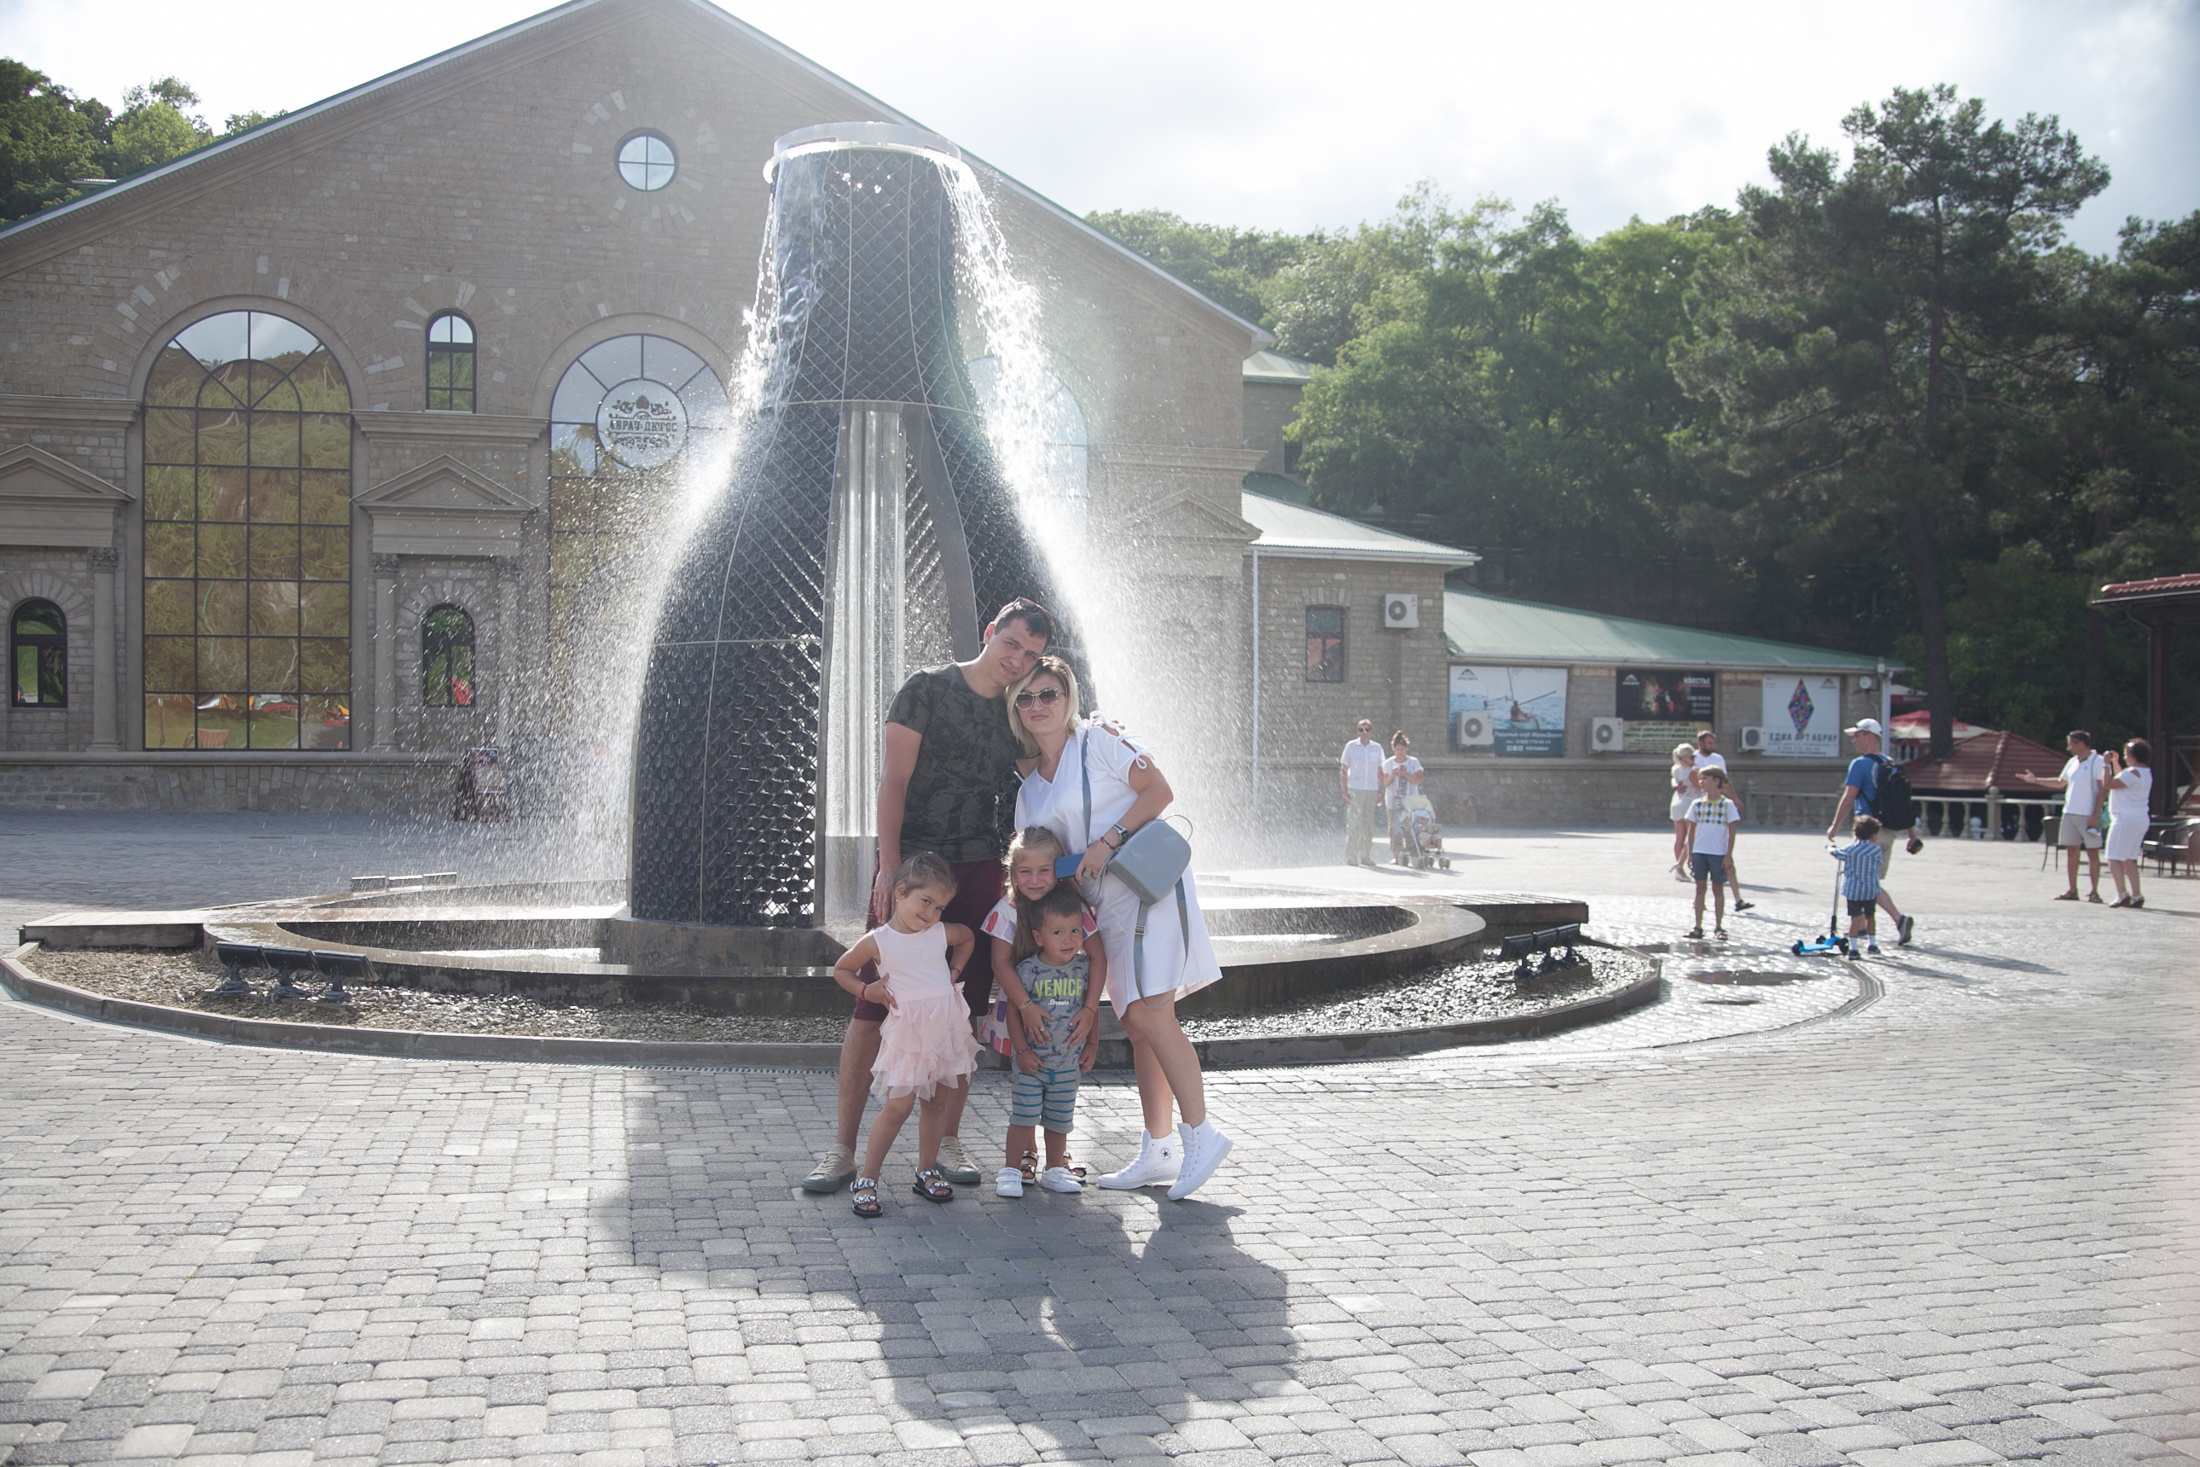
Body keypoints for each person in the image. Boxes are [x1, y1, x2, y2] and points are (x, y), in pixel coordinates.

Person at [800, 598, 1052, 1196]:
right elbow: (894, 779)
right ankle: (841, 1149)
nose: (1019, 661)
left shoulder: (1018, 712)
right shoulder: (925, 689)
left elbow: (1051, 763)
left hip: (983, 870)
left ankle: (944, 1144)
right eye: (1011, 644)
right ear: (990, 632)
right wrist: (889, 868)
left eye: (1033, 655)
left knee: (959, 1008)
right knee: (873, 1010)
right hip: (914, 869)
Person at [1008, 653, 1232, 1200]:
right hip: (1100, 907)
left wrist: (1107, 840)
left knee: (1151, 1015)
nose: (1039, 706)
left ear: (1068, 698)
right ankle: (1158, 1148)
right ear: (1015, 709)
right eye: (1027, 698)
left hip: (1145, 889)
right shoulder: (1029, 786)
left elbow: (1159, 792)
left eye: (1049, 694)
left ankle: (1201, 1134)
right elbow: (1039, 863)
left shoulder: (1101, 738)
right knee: (1136, 1024)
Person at [829, 854, 980, 1218]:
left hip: (944, 1029)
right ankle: (867, 1176)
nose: (931, 913)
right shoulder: (878, 940)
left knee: (936, 1102)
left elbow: (968, 937)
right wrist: (868, 992)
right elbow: (841, 969)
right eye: (925, 901)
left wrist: (955, 969)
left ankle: (925, 1169)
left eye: (939, 907)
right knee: (898, 1106)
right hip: (908, 1034)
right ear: (900, 892)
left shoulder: (940, 933)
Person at [984, 824, 1106, 1185]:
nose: (1035, 880)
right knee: (1026, 1095)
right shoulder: (1007, 909)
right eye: (1025, 871)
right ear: (1012, 873)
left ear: (1060, 870)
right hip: (1025, 1013)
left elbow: (1098, 958)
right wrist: (1025, 1006)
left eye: (1044, 870)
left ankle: (1054, 1159)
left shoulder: (1073, 909)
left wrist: (1089, 1011)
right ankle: (1023, 1156)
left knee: (1059, 1103)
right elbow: (1000, 962)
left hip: (1065, 1018)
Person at [1826, 718, 1918, 944]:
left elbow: (1849, 798)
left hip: (1868, 832)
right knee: (1872, 879)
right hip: (1889, 831)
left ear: (1870, 736)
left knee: (1866, 882)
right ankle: (1864, 927)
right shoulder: (1890, 763)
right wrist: (1912, 833)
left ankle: (1899, 919)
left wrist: (1834, 826)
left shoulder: (1860, 764)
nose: (1854, 740)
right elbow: (1904, 804)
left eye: (1857, 735)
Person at [2019, 731, 2108, 903]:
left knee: (2092, 852)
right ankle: (2072, 890)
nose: (2068, 748)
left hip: (2088, 814)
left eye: (2071, 744)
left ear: (2080, 743)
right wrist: (2035, 780)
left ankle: (2094, 891)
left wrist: (2095, 814)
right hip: (2069, 812)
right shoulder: (2072, 762)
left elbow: (2103, 789)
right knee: (2071, 851)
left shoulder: (2097, 762)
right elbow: (2061, 783)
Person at [1692, 730, 1752, 911]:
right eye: (1709, 743)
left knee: (1728, 863)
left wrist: (1734, 798)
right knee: (1701, 879)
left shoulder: (1718, 759)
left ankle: (1737, 900)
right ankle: (1700, 909)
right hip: (1700, 809)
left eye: (1713, 743)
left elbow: (1726, 782)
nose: (1712, 746)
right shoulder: (1692, 758)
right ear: (1701, 743)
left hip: (1717, 810)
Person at [1684, 768, 1741, 940]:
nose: (1701, 782)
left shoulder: (1727, 805)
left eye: (1705, 779)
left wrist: (1727, 855)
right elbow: (1691, 830)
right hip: (1700, 851)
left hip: (1717, 853)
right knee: (1699, 888)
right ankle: (1698, 926)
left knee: (1717, 889)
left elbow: (1732, 832)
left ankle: (1718, 926)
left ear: (1716, 781)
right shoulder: (1697, 804)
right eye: (1701, 779)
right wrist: (1690, 853)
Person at [2103, 739, 2153, 909]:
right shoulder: (2144, 772)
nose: (2125, 757)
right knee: (2129, 859)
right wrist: (2115, 763)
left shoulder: (2131, 773)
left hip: (2125, 818)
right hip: (2140, 818)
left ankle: (2122, 894)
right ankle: (2137, 895)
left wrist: (2105, 765)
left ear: (2133, 756)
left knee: (2113, 857)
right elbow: (2121, 779)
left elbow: (2108, 784)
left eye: (2126, 754)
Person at [1832, 815, 1887, 957]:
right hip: (1870, 890)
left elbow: (1836, 853)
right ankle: (1872, 944)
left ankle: (1854, 948)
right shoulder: (1876, 850)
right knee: (1870, 916)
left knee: (1855, 919)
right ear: (1873, 835)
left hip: (1853, 891)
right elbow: (1878, 864)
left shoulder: (1849, 850)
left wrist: (1830, 848)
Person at [1339, 720, 1383, 866]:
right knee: (1354, 824)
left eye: (1367, 729)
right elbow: (1344, 770)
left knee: (1368, 825)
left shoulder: (1377, 748)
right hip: (1356, 788)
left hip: (1371, 789)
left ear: (1371, 731)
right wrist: (1345, 792)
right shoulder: (1351, 746)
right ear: (1357, 731)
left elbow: (1379, 771)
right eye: (1361, 729)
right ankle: (1351, 855)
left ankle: (1365, 855)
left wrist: (1380, 792)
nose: (1364, 732)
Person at [1381, 732, 1424, 865]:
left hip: (1410, 802)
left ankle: (1413, 854)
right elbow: (1384, 782)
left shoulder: (1413, 762)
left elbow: (1418, 780)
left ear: (1406, 749)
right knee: (1395, 829)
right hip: (1394, 803)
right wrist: (1393, 775)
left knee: (1411, 828)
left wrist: (1406, 774)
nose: (1400, 752)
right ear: (1394, 749)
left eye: (1402, 750)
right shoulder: (1388, 763)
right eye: (1398, 749)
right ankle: (1397, 855)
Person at [1668, 742, 1700, 881]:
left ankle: (1679, 868)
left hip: (1677, 802)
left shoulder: (1675, 768)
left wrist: (1675, 785)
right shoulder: (1691, 772)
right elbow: (1701, 787)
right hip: (1689, 803)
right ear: (1684, 758)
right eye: (1691, 756)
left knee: (1679, 838)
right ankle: (1681, 864)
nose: (1693, 758)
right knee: (1692, 837)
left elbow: (1674, 781)